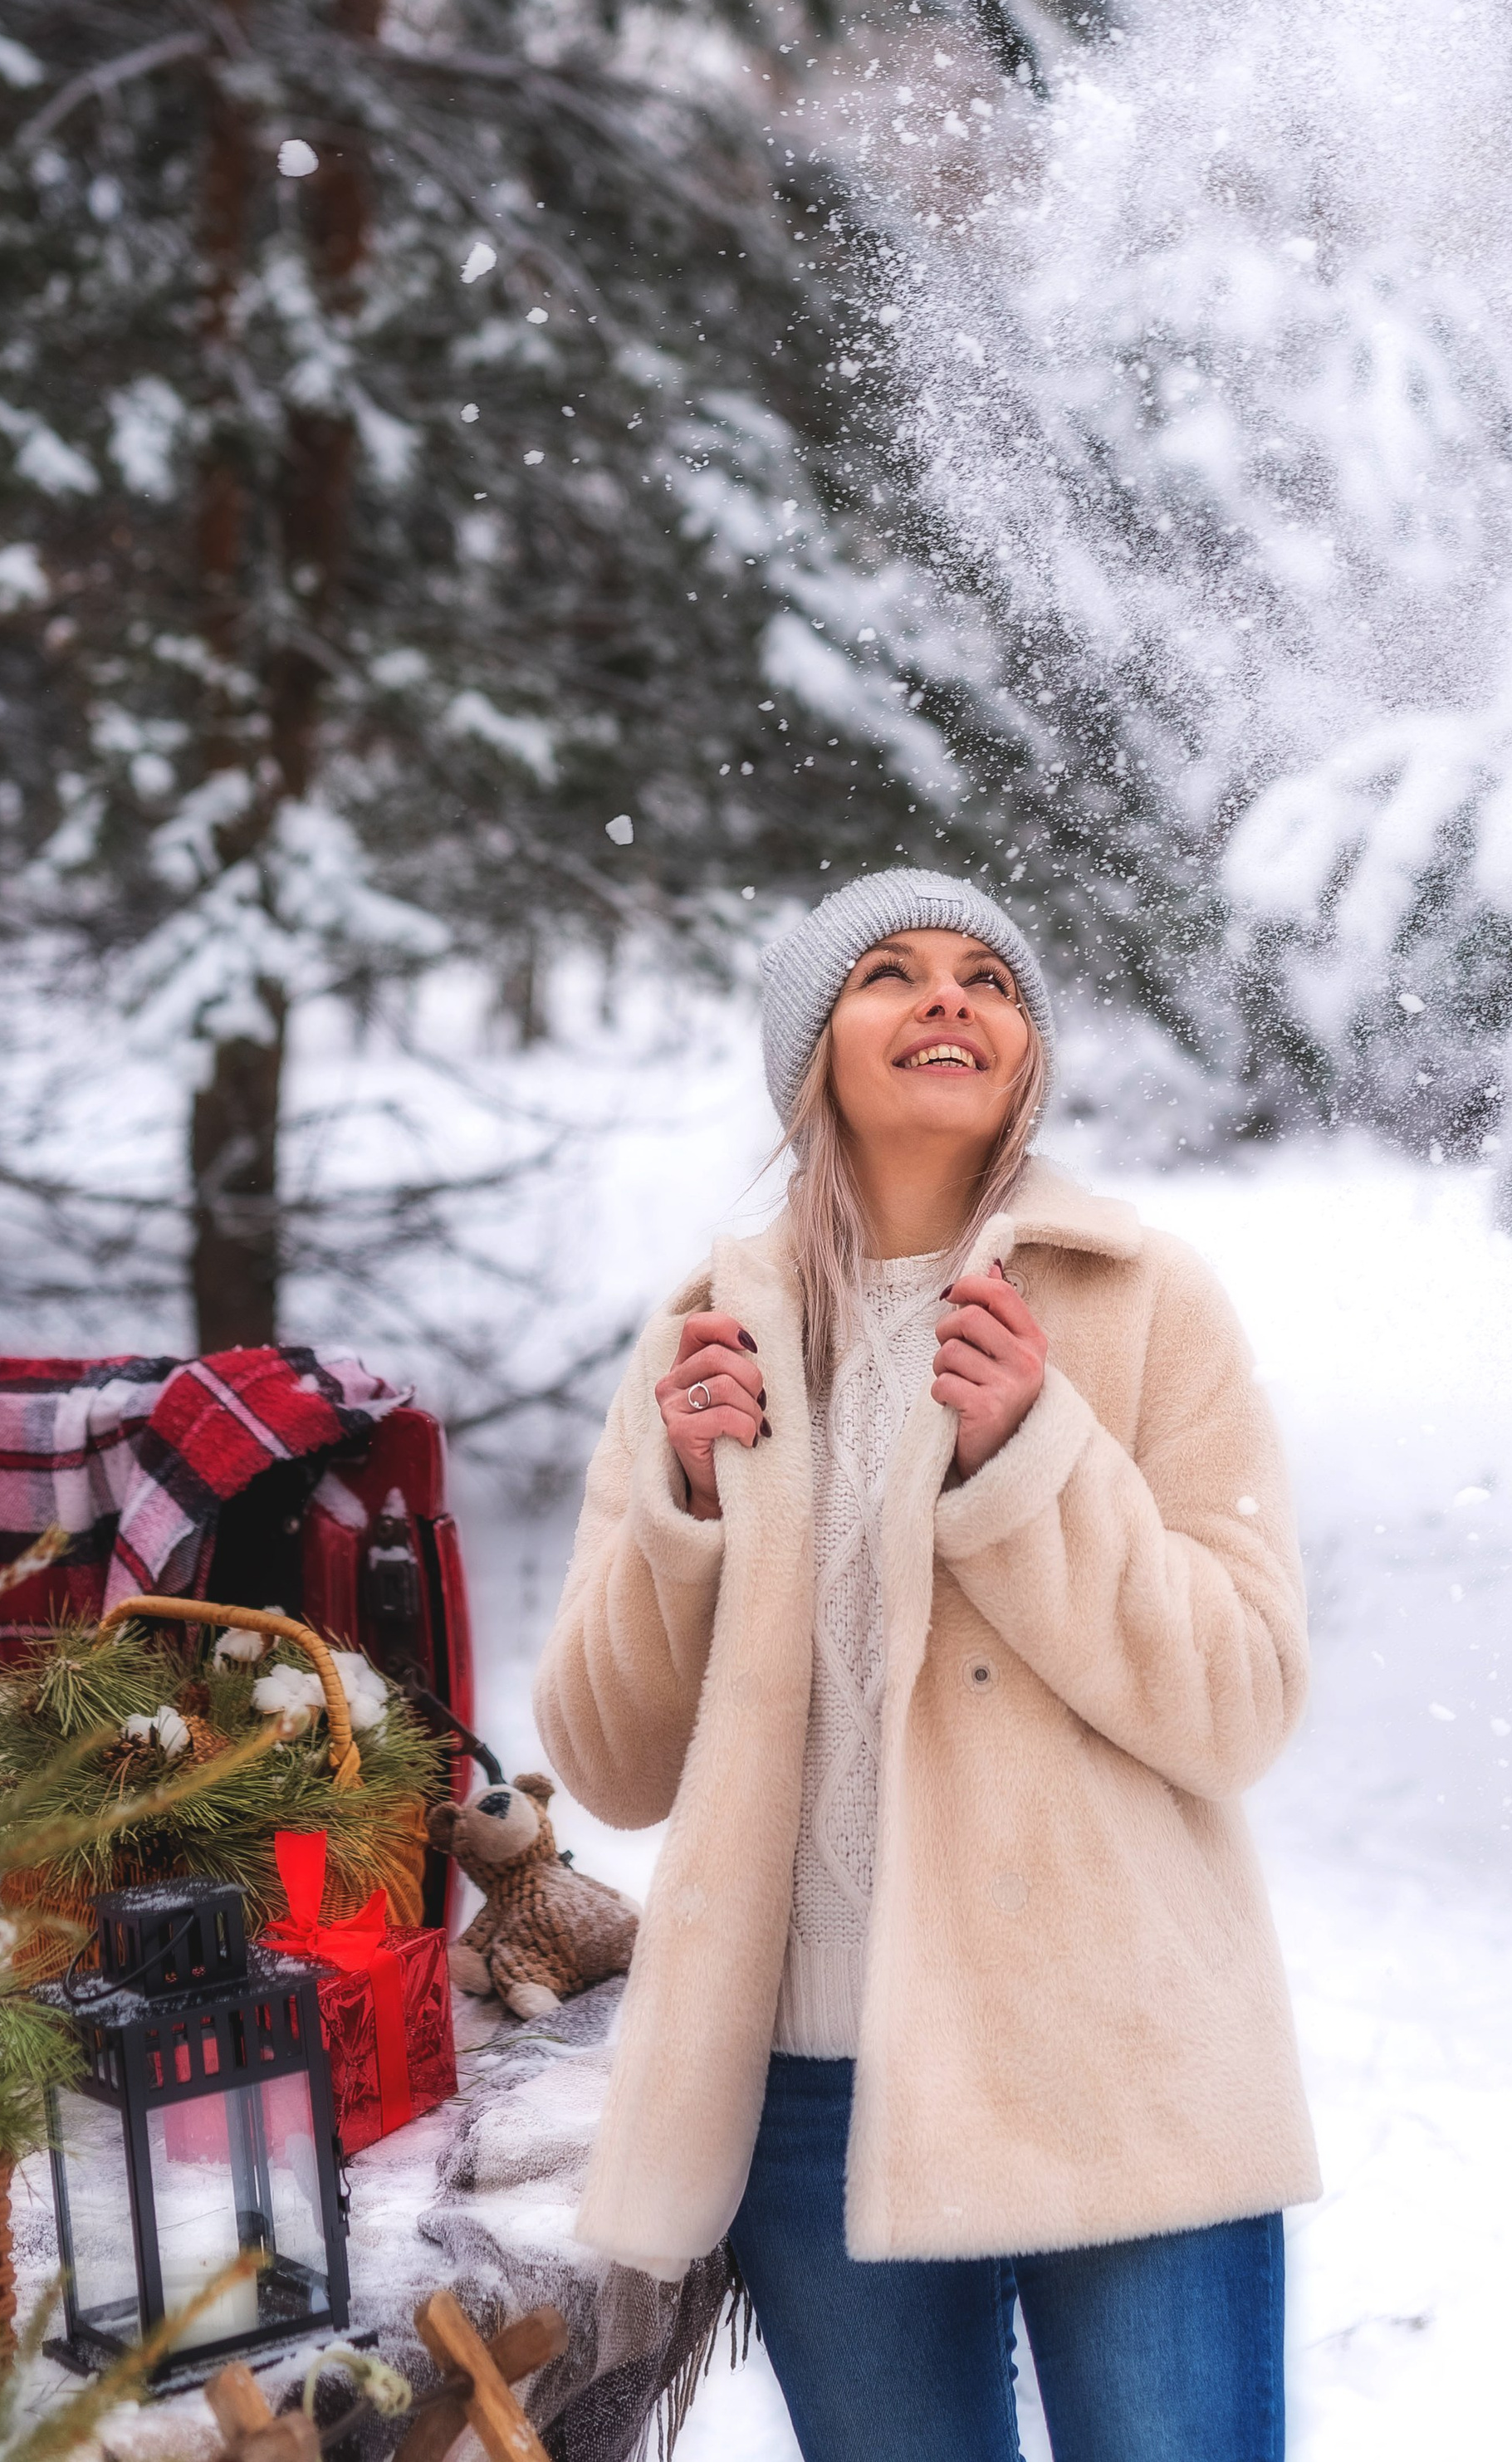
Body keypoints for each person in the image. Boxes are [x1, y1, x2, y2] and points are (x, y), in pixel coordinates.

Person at [533, 870, 1318, 2461]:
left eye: (990, 980)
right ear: (815, 1049)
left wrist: (1037, 1457)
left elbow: (1238, 1702)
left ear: (1026, 1056)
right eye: (891, 972)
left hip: (1121, 2057)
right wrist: (680, 1512)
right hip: (810, 2093)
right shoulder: (706, 1334)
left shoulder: (1146, 1302)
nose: (949, 998)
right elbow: (609, 1759)